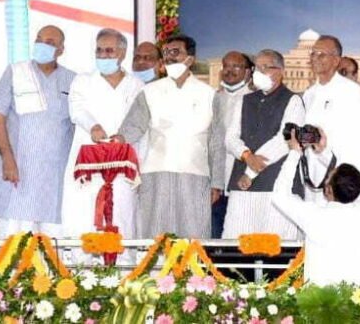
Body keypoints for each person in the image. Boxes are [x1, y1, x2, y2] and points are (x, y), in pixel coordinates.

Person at [114, 34, 225, 238]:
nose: (169, 57)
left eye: (175, 52)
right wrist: (117, 140)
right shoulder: (149, 92)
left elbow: (217, 142)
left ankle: (192, 272)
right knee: (155, 238)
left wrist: (217, 183)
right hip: (156, 174)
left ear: (190, 58)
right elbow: (133, 127)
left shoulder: (209, 94)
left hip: (196, 176)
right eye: (166, 53)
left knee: (193, 239)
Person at [0, 25, 76, 237]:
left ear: (61, 50)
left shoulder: (73, 80)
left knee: (52, 246)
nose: (43, 44)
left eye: (50, 42)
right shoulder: (16, 72)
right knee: (14, 243)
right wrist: (7, 158)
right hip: (18, 170)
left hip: (55, 176)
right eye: (39, 39)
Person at [61, 29, 143, 244]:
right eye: (99, 50)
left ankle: (122, 270)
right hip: (88, 162)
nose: (103, 55)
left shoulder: (136, 85)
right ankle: (83, 272)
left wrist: (124, 136)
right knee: (85, 216)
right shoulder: (82, 80)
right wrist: (93, 127)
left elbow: (140, 120)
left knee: (122, 213)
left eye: (109, 50)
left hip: (122, 161)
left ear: (122, 53)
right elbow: (77, 109)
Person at [272, 128, 360, 286]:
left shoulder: (315, 216)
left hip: (317, 303)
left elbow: (279, 195)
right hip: (355, 302)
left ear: (329, 190)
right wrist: (323, 151)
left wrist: (294, 152)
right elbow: (352, 181)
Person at [223, 49, 304, 239]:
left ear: (281, 71)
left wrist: (250, 171)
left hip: (275, 182)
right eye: (257, 67)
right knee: (237, 244)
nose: (259, 72)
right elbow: (230, 138)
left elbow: (285, 140)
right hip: (242, 184)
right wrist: (246, 156)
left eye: (266, 67)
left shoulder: (293, 100)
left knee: (275, 247)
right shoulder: (245, 100)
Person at [300, 35, 360, 203]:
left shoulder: (351, 92)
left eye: (322, 54)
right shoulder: (309, 94)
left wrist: (345, 184)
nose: (315, 58)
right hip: (312, 181)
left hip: (341, 184)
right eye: (313, 54)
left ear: (336, 60)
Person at [212, 51, 253, 238]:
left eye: (236, 66)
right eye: (226, 66)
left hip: (242, 181)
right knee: (212, 238)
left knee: (239, 239)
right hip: (214, 183)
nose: (229, 70)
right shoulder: (212, 98)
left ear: (248, 71)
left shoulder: (255, 101)